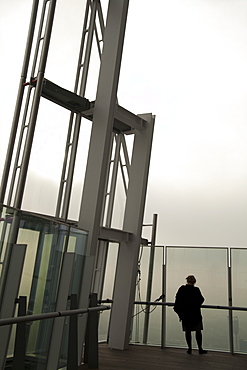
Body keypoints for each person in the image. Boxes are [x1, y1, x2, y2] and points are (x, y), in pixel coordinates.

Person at [173, 275, 207, 354]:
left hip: (185, 314)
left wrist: (181, 312)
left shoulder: (182, 289)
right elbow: (201, 299)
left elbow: (177, 300)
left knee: (187, 331)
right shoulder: (196, 290)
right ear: (194, 281)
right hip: (195, 314)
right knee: (198, 331)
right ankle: (200, 348)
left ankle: (189, 349)